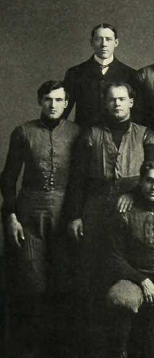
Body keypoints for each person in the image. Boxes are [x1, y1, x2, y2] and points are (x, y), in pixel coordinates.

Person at [66, 82, 154, 357]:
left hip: (133, 215)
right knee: (93, 278)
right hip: (94, 213)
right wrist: (74, 216)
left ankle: (132, 345)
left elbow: (153, 174)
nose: (117, 104)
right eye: (112, 100)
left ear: (131, 102)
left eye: (122, 99)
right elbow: (77, 180)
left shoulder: (147, 136)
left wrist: (133, 195)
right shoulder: (91, 135)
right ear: (105, 104)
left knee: (126, 274)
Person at [0, 81, 81, 358]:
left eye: (59, 100)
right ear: (39, 101)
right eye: (48, 99)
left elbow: (81, 181)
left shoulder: (76, 133)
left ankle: (58, 350)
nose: (53, 105)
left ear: (66, 103)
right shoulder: (23, 132)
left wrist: (77, 215)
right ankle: (30, 350)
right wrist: (10, 216)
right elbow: (8, 178)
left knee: (62, 285)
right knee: (32, 287)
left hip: (64, 214)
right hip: (29, 214)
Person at [107, 160, 154, 358]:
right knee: (122, 298)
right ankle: (120, 350)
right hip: (136, 280)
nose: (153, 187)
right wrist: (142, 280)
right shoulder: (125, 212)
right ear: (141, 181)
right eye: (149, 180)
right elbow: (114, 258)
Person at [64, 23, 137, 127]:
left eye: (108, 39)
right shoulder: (75, 73)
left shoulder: (130, 74)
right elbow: (62, 111)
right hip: (84, 136)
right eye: (99, 39)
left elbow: (136, 115)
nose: (104, 44)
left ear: (116, 42)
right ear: (91, 42)